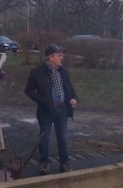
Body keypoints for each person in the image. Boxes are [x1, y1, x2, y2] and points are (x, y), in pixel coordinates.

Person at [24, 44, 78, 175]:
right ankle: (44, 162)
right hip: (46, 111)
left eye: (62, 55)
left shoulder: (64, 72)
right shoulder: (37, 72)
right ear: (50, 57)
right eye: (59, 55)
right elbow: (28, 91)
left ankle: (64, 162)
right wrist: (44, 102)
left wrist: (73, 98)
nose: (62, 58)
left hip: (62, 110)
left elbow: (70, 88)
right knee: (44, 137)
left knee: (63, 138)